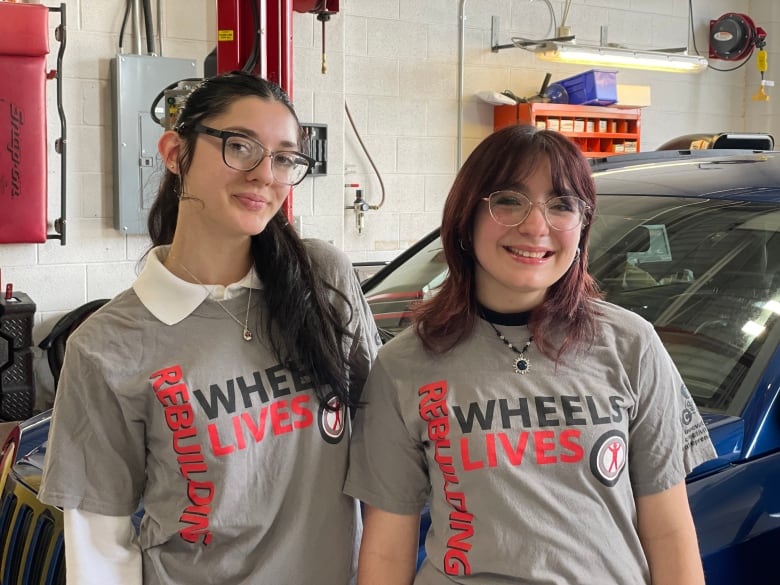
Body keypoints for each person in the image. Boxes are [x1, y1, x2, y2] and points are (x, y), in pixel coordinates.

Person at [39, 71, 381, 585]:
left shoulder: (322, 281)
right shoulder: (107, 346)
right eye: (240, 146)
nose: (265, 174)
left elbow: (383, 443)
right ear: (176, 153)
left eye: (284, 158)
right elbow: (100, 554)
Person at [344, 125, 717, 585]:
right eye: (508, 200)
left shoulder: (630, 346)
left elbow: (669, 530)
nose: (536, 226)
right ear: (466, 218)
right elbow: (387, 548)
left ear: (582, 226)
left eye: (561, 205)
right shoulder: (404, 365)